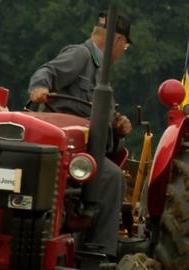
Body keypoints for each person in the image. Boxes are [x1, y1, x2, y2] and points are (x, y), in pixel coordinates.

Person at [27, 12, 133, 259]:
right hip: (64, 147)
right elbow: (48, 71)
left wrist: (118, 129)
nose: (122, 53)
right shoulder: (81, 55)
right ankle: (99, 253)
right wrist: (39, 88)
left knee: (108, 171)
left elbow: (102, 134)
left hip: (86, 149)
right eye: (124, 47)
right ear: (117, 41)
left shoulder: (102, 79)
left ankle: (81, 227)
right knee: (113, 177)